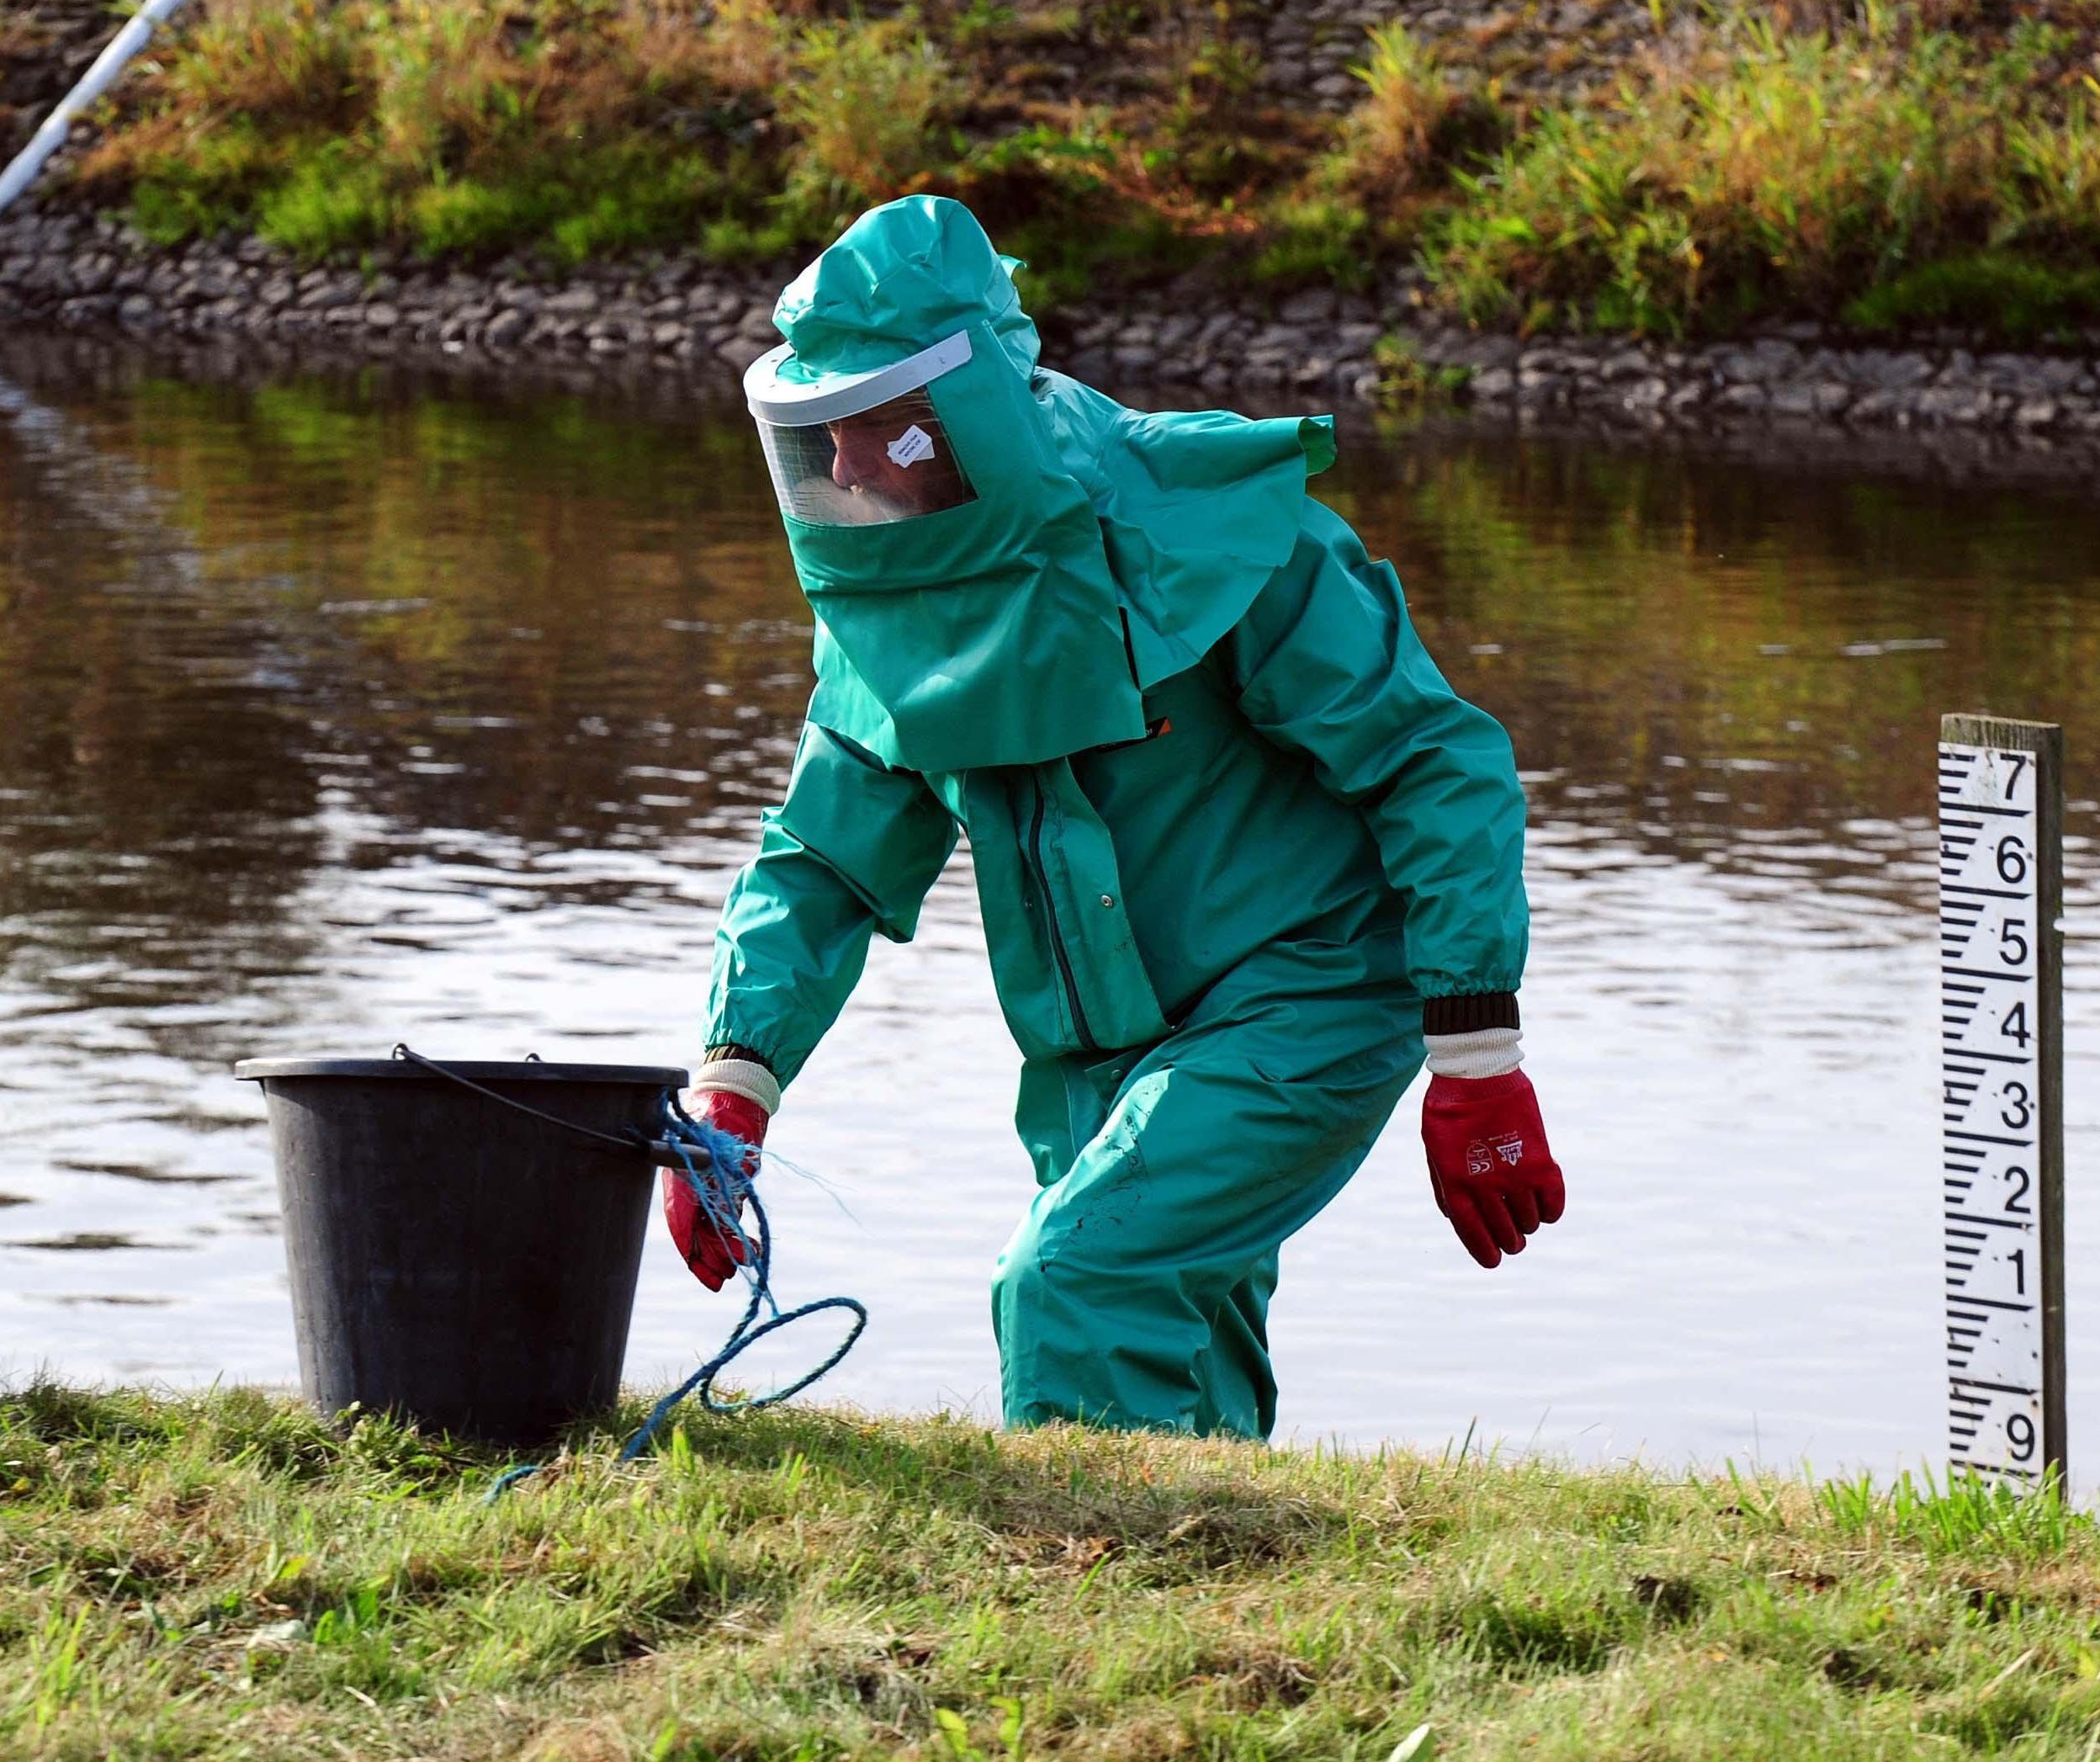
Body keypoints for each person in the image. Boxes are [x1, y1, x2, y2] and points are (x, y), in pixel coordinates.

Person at [666, 195, 1563, 1440]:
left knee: (1073, 1286)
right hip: (1091, 1052)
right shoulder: (888, 603)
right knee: (1180, 1345)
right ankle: (1227, 1616)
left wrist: (1474, 1053)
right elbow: (819, 865)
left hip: (1301, 1001)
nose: (847, 468)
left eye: (871, 424)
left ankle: (1077, 1604)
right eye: (820, 432)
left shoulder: (1210, 529)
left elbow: (1435, 763)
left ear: (961, 406)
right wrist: (732, 1083)